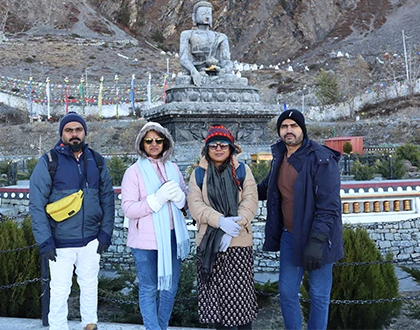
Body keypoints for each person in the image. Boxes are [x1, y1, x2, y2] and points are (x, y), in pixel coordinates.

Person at [257, 109, 344, 330]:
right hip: (290, 237)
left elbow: (329, 205)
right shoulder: (280, 156)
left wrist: (316, 241)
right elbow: (267, 188)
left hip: (318, 239)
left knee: (318, 295)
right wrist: (238, 186)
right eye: (284, 126)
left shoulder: (321, 158)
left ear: (302, 130)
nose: (289, 130)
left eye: (293, 126)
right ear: (279, 131)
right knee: (286, 292)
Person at [29, 111, 115, 330]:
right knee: (59, 291)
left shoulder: (96, 161)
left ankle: (90, 326)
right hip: (60, 243)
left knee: (89, 288)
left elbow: (107, 199)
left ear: (85, 132)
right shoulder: (49, 161)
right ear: (62, 134)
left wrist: (105, 233)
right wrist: (45, 241)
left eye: (78, 130)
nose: (74, 134)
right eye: (69, 130)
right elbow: (37, 205)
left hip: (90, 242)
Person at [187, 124, 259, 330]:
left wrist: (235, 224)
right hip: (211, 245)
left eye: (224, 145)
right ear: (207, 149)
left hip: (239, 244)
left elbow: (250, 200)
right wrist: (220, 222)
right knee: (217, 304)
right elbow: (195, 205)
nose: (219, 149)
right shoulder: (198, 174)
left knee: (241, 302)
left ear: (231, 148)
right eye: (213, 145)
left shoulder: (243, 171)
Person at [121, 121, 190, 330]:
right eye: (148, 140)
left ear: (165, 142)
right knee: (149, 288)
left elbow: (186, 200)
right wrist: (156, 200)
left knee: (169, 288)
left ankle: (161, 326)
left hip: (172, 237)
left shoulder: (173, 168)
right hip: (145, 241)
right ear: (141, 143)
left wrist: (181, 199)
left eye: (158, 140)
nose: (153, 144)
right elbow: (129, 209)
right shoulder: (133, 172)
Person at [179, 0, 234, 86]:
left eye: (209, 13)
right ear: (194, 17)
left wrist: (223, 70)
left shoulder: (220, 37)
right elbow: (183, 58)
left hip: (215, 74)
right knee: (184, 81)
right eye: (203, 14)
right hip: (197, 71)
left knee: (237, 80)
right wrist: (193, 71)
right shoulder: (187, 34)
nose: (207, 16)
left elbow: (226, 61)